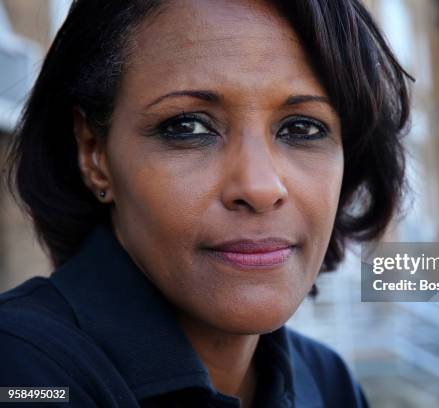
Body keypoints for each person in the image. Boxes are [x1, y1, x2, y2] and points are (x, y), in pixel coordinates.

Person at [0, 0, 411, 406]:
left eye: (302, 128)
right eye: (187, 126)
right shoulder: (22, 372)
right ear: (94, 152)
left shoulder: (326, 382)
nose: (260, 187)